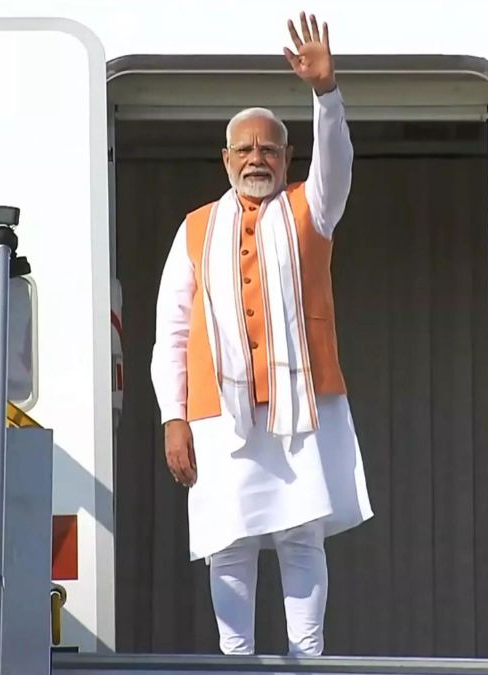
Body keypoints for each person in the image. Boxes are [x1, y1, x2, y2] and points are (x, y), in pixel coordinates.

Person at [149, 11, 374, 657]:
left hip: (304, 404)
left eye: (268, 148)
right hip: (218, 411)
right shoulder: (194, 226)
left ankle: (308, 659)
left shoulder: (313, 206)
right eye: (244, 148)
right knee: (229, 542)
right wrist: (173, 418)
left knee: (301, 538)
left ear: (287, 157)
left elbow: (338, 161)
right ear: (225, 159)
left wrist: (326, 94)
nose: (256, 157)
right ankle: (235, 662)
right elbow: (171, 330)